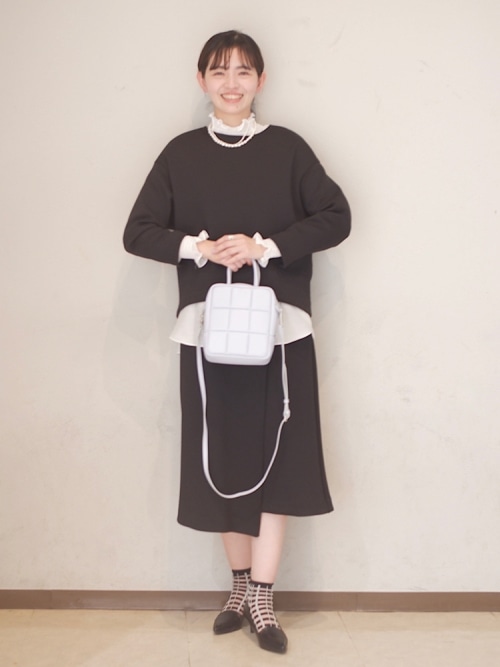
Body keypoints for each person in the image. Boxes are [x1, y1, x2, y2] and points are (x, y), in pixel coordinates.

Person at [123, 30, 351, 654]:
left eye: (244, 71)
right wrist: (199, 247)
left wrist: (264, 246)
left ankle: (264, 597)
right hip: (208, 335)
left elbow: (336, 215)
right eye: (219, 72)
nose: (231, 83)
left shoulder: (288, 149)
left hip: (280, 332)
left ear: (261, 80)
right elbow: (138, 231)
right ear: (201, 80)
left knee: (281, 454)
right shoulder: (180, 154)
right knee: (220, 454)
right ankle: (240, 585)